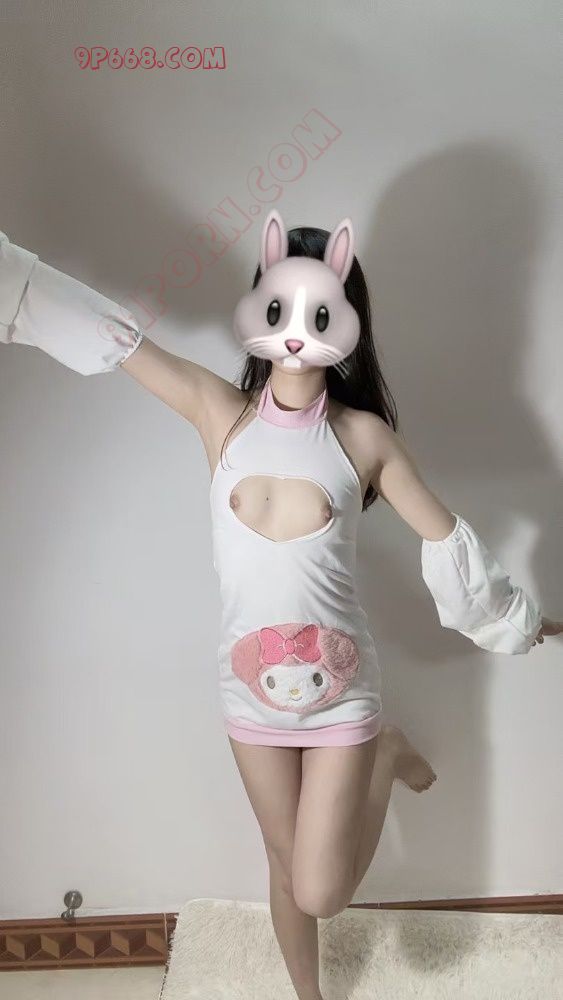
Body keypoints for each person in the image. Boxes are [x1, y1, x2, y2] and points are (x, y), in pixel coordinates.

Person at [1, 212, 559, 1000]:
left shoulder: (363, 439)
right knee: (282, 859)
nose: (295, 331)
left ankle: (384, 755)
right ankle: (309, 996)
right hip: (248, 690)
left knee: (319, 889)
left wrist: (525, 622)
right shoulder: (216, 411)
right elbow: (117, 339)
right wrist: (15, 283)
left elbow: (449, 543)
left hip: (340, 695)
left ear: (344, 319)